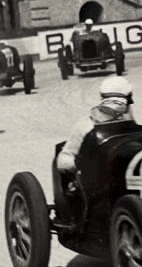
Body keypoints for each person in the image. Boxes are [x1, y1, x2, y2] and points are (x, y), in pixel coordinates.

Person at [55, 76, 135, 224]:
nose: (132, 103)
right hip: (95, 191)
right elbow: (63, 160)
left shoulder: (128, 121)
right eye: (130, 98)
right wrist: (83, 165)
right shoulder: (85, 126)